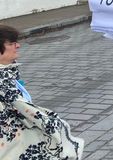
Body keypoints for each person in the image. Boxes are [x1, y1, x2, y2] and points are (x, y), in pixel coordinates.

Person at [0, 25, 84, 159]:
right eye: (11, 43)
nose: (18, 46)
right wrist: (56, 124)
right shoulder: (2, 79)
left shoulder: (8, 72)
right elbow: (27, 110)